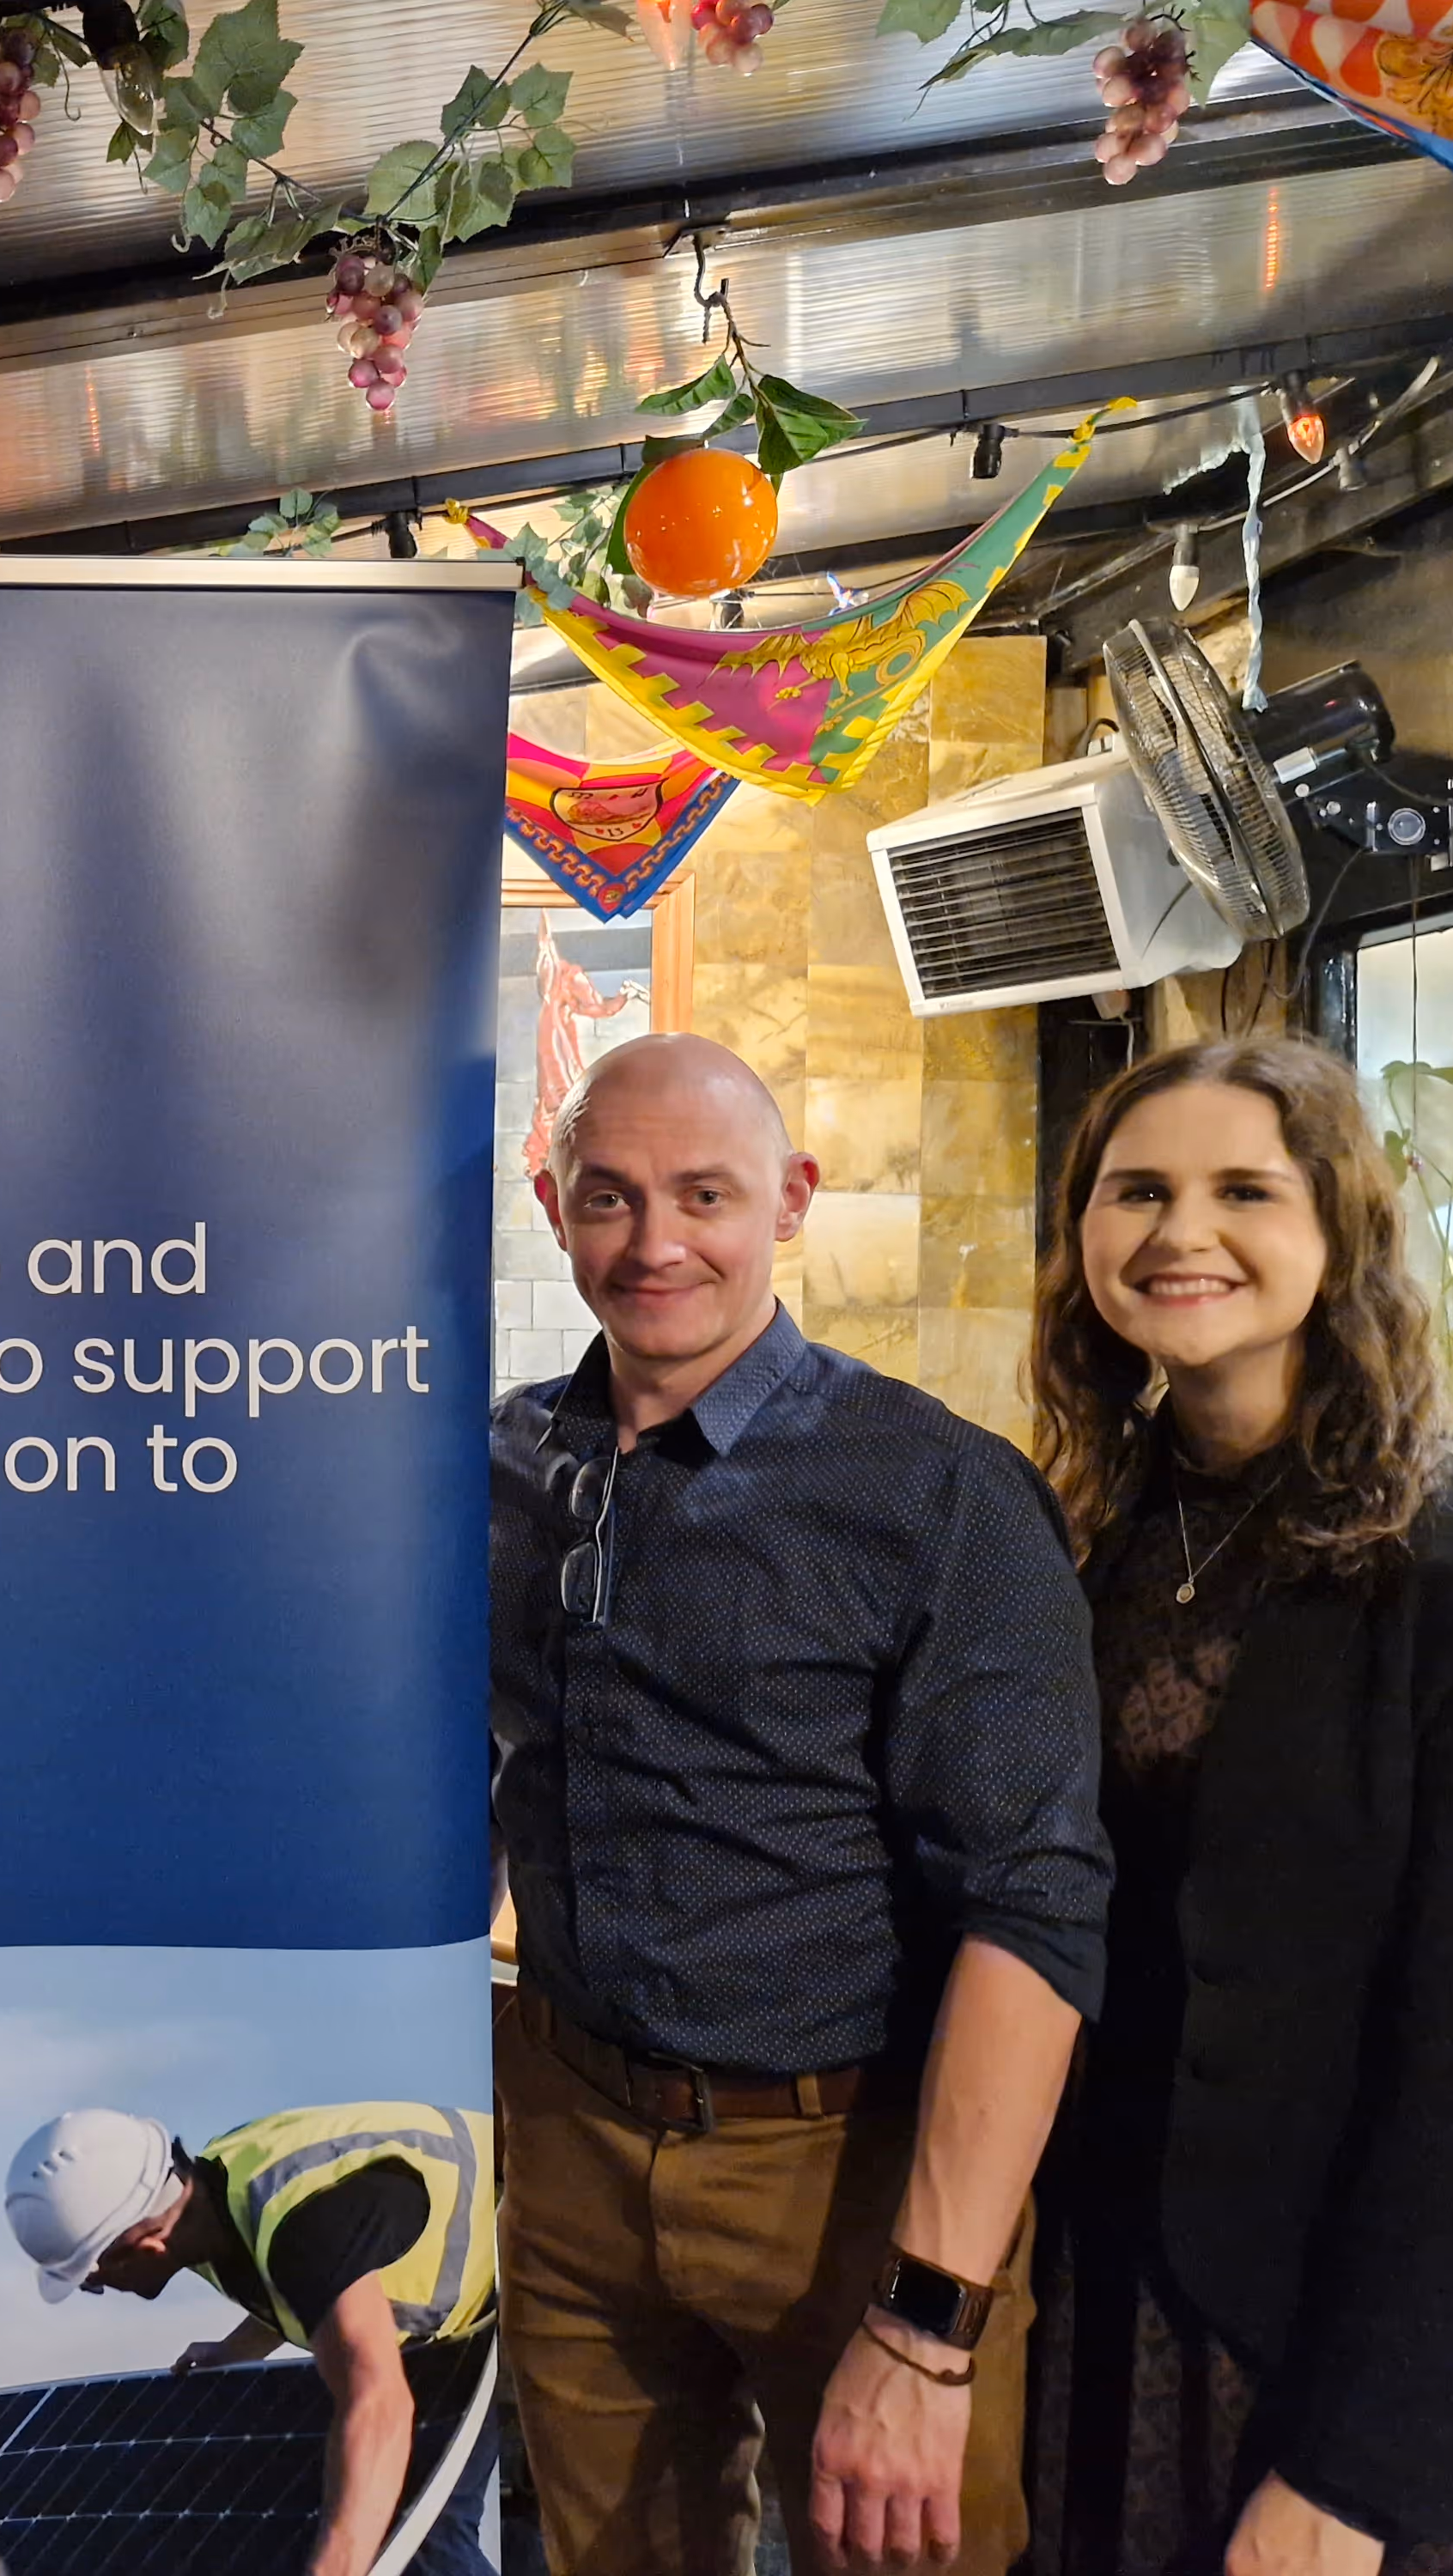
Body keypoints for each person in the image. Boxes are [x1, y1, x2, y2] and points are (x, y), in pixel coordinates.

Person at [487, 1030, 1112, 2576]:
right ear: (551, 1202)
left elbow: (1035, 1907)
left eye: (705, 1194)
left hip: (849, 2175)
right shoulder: (494, 1459)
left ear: (791, 1201)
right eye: (610, 1197)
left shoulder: (934, 1494)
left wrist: (929, 2322)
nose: (656, 1244)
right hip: (564, 2140)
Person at [1020, 1033, 1453, 2576]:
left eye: (1242, 1191)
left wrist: (1358, 2478)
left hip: (1357, 2352)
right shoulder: (1084, 1536)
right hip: (1114, 2300)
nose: (1178, 1232)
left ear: (1338, 1236)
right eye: (1137, 1190)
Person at [3, 2103, 499, 2576]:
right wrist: (235, 2350)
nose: (101, 2289)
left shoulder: (303, 2226)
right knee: (444, 2517)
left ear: (143, 2245)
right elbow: (315, 2285)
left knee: (420, 2533)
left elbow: (378, 2404)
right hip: (476, 2309)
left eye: (91, 2277)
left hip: (542, 2232)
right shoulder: (211, 2202)